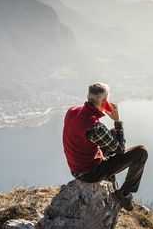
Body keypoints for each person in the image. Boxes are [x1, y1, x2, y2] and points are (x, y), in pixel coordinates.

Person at [62, 82, 148, 211]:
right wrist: (117, 121)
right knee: (141, 152)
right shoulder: (95, 126)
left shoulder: (72, 111)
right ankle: (124, 194)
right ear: (104, 102)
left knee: (112, 133)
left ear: (88, 96)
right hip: (90, 173)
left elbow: (86, 134)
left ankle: (109, 177)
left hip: (76, 167)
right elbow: (120, 149)